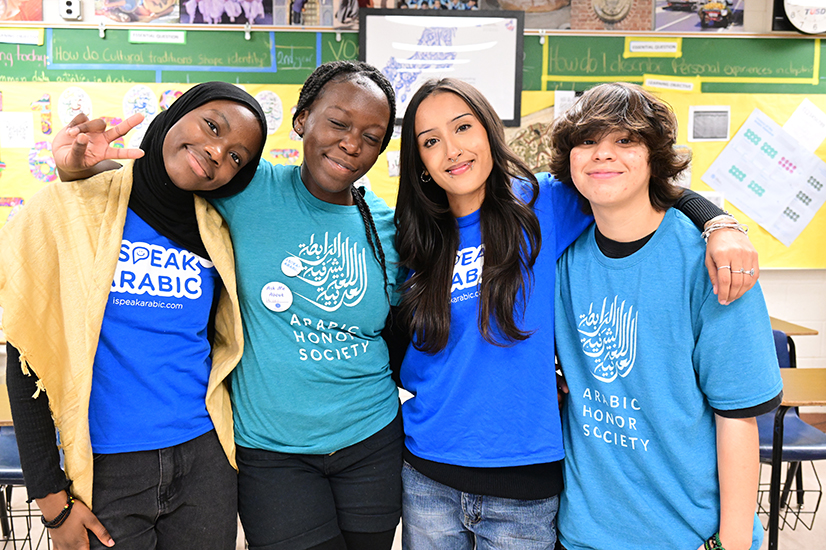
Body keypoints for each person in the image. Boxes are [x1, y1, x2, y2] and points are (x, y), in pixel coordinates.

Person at [392, 77, 760, 550]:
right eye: (430, 141)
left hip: (522, 483)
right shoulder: (413, 236)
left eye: (463, 127)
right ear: (419, 160)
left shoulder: (545, 203)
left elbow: (641, 185)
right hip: (427, 473)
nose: (452, 150)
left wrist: (718, 222)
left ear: (488, 130)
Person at [51, 61, 404, 550]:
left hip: (372, 439)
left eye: (372, 136)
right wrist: (73, 170)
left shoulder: (381, 221)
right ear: (303, 119)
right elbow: (159, 181)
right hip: (272, 451)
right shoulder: (245, 187)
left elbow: (405, 321)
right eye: (339, 123)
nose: (351, 143)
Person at [0, 81, 267, 550]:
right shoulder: (74, 207)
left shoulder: (216, 232)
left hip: (205, 461)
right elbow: (28, 361)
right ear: (176, 112)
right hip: (108, 469)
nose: (216, 152)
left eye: (236, 157)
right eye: (211, 125)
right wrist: (51, 501)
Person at [550, 82, 783, 550]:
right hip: (582, 534)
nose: (602, 155)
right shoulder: (561, 252)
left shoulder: (712, 262)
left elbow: (737, 416)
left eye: (625, 141)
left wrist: (732, 544)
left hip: (688, 536)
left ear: (655, 156)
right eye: (588, 141)